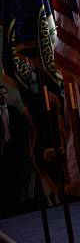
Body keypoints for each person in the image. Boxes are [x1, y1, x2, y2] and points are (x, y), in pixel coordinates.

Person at [0, 85, 25, 217]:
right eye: (0, 94)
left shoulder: (14, 111)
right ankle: (5, 209)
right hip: (2, 150)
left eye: (5, 93)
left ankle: (17, 207)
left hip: (15, 150)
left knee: (16, 178)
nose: (3, 96)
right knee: (3, 180)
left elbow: (21, 131)